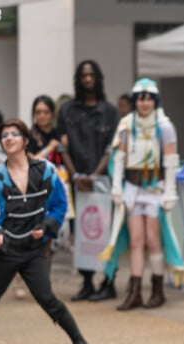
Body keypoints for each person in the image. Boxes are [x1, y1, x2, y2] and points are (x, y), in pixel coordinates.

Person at [0, 118, 90, 344]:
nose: (9, 138)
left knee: (46, 297)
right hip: (4, 249)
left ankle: (79, 341)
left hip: (33, 249)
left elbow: (60, 206)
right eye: (4, 136)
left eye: (14, 134)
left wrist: (46, 227)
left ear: (25, 141)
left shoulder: (46, 171)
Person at [105, 78, 184, 310]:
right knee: (136, 241)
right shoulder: (126, 124)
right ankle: (135, 291)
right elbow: (119, 157)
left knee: (153, 240)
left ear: (155, 100)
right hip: (132, 188)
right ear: (134, 100)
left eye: (149, 98)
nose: (144, 103)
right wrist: (117, 187)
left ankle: (158, 290)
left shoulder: (165, 125)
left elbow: (171, 160)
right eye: (140, 98)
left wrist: (170, 191)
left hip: (154, 189)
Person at [57, 59, 119, 302]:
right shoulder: (67, 111)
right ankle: (86, 282)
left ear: (98, 78)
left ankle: (109, 281)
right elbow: (62, 147)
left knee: (105, 231)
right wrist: (77, 176)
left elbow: (110, 149)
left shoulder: (110, 111)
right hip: (77, 180)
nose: (88, 79)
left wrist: (94, 176)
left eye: (92, 74)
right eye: (84, 75)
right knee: (81, 231)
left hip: (103, 180)